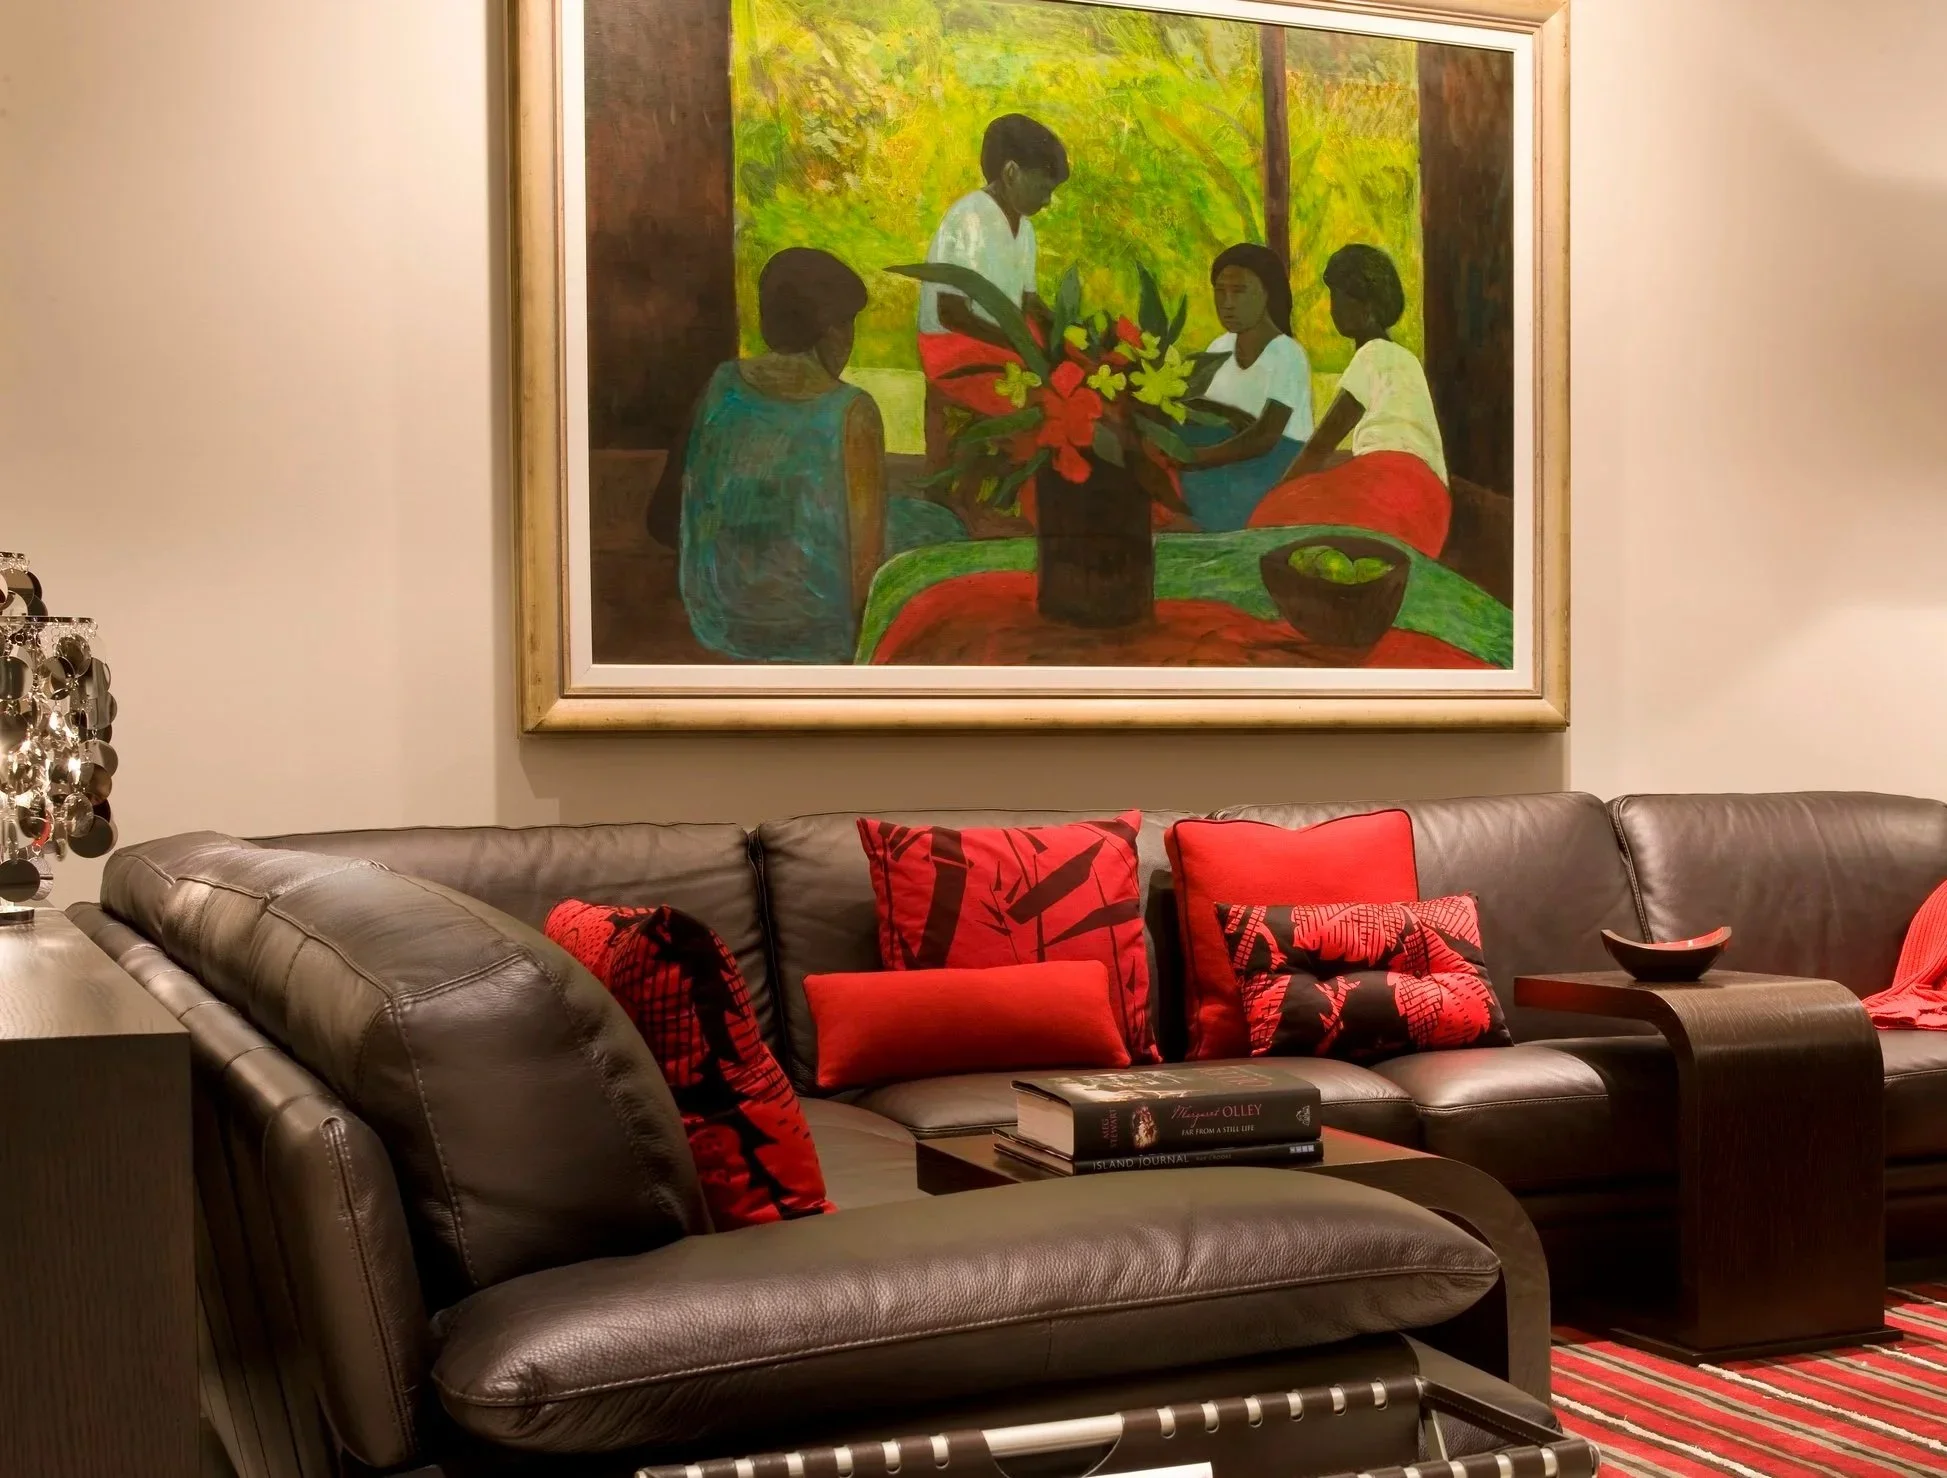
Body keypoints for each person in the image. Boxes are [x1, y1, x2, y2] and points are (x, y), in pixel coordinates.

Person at [677, 248, 885, 664]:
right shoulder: (852, 411)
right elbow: (867, 561)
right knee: (933, 528)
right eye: (849, 324)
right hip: (818, 630)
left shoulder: (721, 383)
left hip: (715, 616)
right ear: (832, 330)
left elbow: (692, 508)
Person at [1249, 243, 1452, 557]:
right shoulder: (1405, 359)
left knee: (1275, 514)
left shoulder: (1371, 354)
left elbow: (1320, 446)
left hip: (1394, 491)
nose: (1332, 308)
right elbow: (1384, 442)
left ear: (1365, 307)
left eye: (1338, 298)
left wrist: (1280, 490)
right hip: (1432, 506)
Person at [916, 114, 1068, 438]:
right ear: (1011, 172)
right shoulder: (968, 216)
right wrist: (1017, 343)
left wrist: (1065, 331)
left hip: (1002, 338)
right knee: (1040, 404)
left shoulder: (1025, 228)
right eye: (1043, 188)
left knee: (1071, 373)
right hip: (955, 346)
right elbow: (951, 312)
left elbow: (1029, 302)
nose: (1047, 200)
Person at [1176, 243, 1314, 531]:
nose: (1227, 303)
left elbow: (1265, 437)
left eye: (1239, 291)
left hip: (1272, 467)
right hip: (1225, 463)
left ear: (1267, 294)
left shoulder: (1287, 354)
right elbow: (1198, 407)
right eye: (1220, 291)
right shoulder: (1219, 347)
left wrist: (1196, 459)